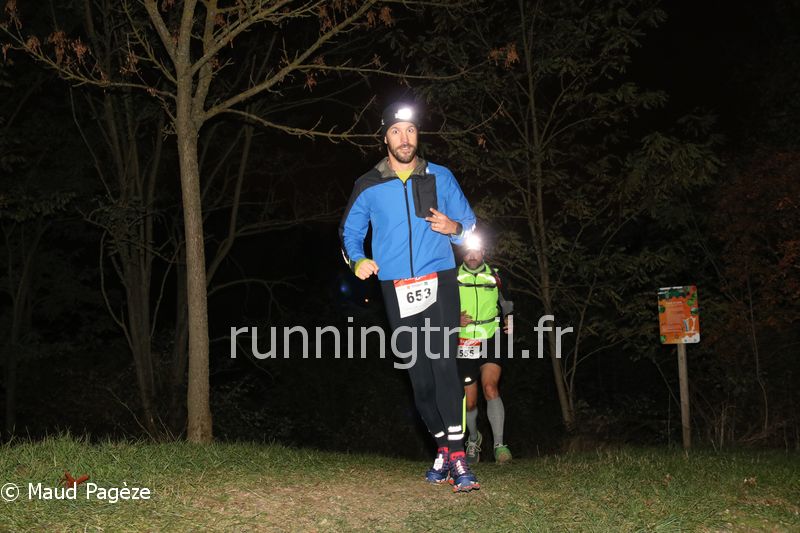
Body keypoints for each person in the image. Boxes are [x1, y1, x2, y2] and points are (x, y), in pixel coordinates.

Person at [339, 101, 480, 492]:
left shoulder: (441, 176)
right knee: (420, 379)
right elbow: (349, 234)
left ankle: (458, 457)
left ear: (419, 135)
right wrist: (358, 260)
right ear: (385, 138)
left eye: (411, 130)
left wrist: (454, 228)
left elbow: (471, 227)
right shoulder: (368, 184)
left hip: (440, 278)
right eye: (396, 131)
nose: (405, 138)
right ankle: (442, 446)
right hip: (396, 286)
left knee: (443, 364)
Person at [457, 234, 513, 464]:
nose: (472, 256)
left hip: (491, 335)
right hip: (464, 341)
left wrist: (509, 317)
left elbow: (506, 301)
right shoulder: (452, 277)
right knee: (469, 402)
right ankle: (473, 439)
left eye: (476, 251)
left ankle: (500, 445)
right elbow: (440, 307)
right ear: (463, 254)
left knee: (490, 387)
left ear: (483, 252)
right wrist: (453, 318)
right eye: (467, 252)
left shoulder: (496, 275)